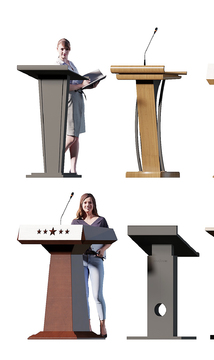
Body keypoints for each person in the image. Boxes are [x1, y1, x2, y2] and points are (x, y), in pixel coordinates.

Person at [71, 193, 111, 337]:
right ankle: (87, 325)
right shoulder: (76, 222)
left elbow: (110, 239)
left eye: (90, 202)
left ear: (94, 204)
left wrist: (102, 249)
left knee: (97, 295)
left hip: (95, 259)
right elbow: (72, 240)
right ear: (81, 205)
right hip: (80, 259)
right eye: (85, 202)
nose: (88, 205)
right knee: (83, 295)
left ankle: (102, 325)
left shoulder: (101, 220)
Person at [56, 38, 98, 174]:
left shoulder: (71, 64)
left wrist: (90, 84)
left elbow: (79, 82)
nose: (64, 52)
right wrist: (81, 85)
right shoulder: (58, 65)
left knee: (77, 137)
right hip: (69, 99)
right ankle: (54, 161)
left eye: (66, 49)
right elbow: (64, 86)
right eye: (62, 49)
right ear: (57, 49)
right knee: (71, 136)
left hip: (78, 98)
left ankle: (73, 170)